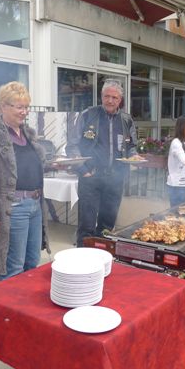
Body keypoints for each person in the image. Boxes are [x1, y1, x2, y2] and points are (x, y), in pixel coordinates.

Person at [0, 81, 50, 282]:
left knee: (32, 261)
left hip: (35, 204)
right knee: (13, 267)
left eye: (26, 107)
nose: (24, 112)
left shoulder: (28, 133)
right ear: (3, 106)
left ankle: (23, 300)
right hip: (14, 207)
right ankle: (5, 301)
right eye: (19, 107)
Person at [67, 79, 141, 247]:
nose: (110, 100)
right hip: (90, 177)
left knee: (107, 225)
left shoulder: (126, 120)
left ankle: (102, 257)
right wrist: (83, 170)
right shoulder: (88, 115)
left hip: (115, 179)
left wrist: (134, 155)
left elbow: (131, 146)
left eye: (114, 98)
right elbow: (72, 146)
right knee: (86, 225)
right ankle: (84, 258)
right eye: (107, 96)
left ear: (120, 100)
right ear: (101, 96)